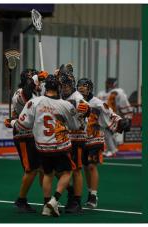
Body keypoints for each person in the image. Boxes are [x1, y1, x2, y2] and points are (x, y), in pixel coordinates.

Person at [8, 74, 79, 217]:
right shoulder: (66, 105)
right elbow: (75, 125)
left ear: (46, 87)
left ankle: (46, 206)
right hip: (60, 146)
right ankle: (54, 200)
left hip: (41, 146)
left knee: (47, 173)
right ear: (58, 87)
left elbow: (23, 124)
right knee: (67, 172)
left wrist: (11, 122)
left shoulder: (35, 102)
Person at [77, 78, 130, 208]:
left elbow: (110, 113)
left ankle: (94, 196)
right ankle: (89, 193)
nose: (81, 88)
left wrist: (121, 122)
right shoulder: (75, 101)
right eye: (79, 86)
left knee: (91, 166)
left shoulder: (98, 103)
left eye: (84, 86)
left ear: (89, 88)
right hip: (81, 138)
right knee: (85, 167)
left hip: (96, 138)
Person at [4, 69, 44, 213]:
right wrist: (36, 79)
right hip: (23, 136)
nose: (39, 82)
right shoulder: (20, 92)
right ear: (29, 80)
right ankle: (21, 200)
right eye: (35, 79)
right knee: (30, 169)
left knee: (43, 169)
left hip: (35, 136)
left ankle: (48, 199)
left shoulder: (37, 93)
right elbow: (25, 96)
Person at [58, 64, 89, 213]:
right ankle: (70, 193)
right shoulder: (59, 96)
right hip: (64, 138)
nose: (64, 88)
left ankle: (76, 201)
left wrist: (86, 110)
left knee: (76, 169)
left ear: (72, 85)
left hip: (77, 138)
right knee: (60, 169)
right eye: (62, 85)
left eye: (67, 85)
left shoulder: (77, 97)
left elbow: (86, 107)